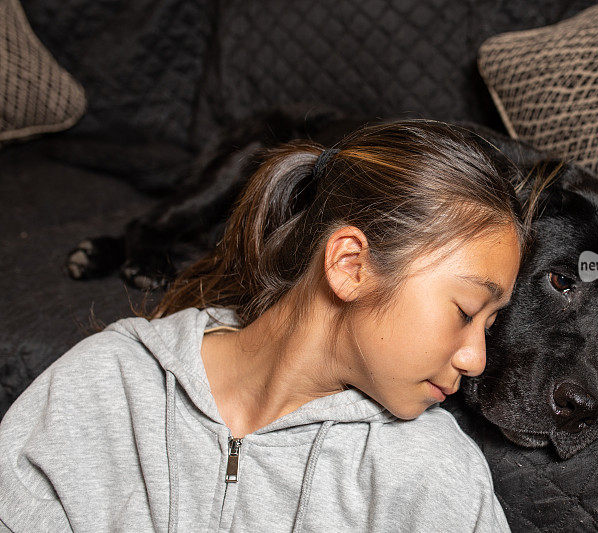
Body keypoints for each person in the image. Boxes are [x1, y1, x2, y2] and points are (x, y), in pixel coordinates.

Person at [0, 119, 534, 532]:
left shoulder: (431, 474)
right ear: (351, 265)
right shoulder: (102, 387)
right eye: (466, 312)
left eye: (489, 324)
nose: (476, 358)